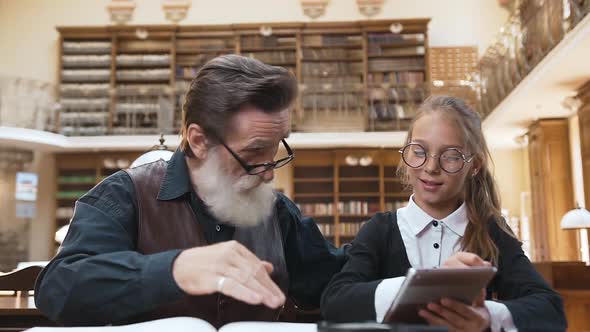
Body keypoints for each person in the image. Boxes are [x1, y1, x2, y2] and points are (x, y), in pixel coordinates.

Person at [35, 54, 344, 327]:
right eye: (253, 154)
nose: (268, 174)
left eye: (276, 149)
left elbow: (333, 282)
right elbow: (59, 289)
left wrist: (383, 241)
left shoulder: (277, 210)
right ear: (198, 140)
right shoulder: (125, 195)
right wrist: (175, 269)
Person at [320, 95, 567, 332]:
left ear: (475, 165)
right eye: (419, 151)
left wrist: (486, 317)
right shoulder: (380, 229)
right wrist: (421, 286)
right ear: (406, 154)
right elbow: (335, 302)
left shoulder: (492, 231)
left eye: (450, 156)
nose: (430, 167)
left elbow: (551, 310)